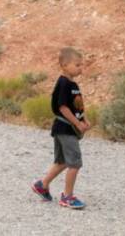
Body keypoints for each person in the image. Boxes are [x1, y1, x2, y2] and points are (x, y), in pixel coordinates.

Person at [32, 47, 90, 209]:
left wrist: (85, 119)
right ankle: (67, 197)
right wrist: (77, 124)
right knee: (75, 163)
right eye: (77, 65)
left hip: (66, 128)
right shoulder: (63, 83)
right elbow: (63, 108)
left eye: (81, 65)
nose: (80, 68)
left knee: (63, 161)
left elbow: (77, 106)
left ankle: (42, 185)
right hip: (65, 128)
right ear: (64, 65)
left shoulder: (73, 84)